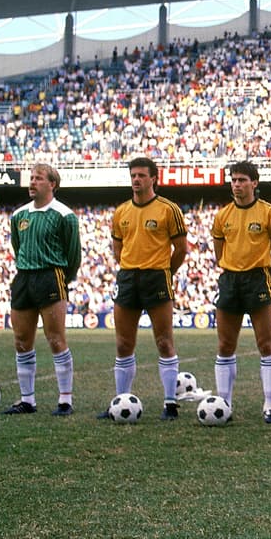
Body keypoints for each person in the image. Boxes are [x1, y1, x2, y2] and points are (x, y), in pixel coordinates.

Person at [99, 157, 188, 421]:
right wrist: (130, 267)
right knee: (123, 343)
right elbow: (118, 249)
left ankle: (170, 403)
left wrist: (165, 272)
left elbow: (181, 249)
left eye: (141, 175)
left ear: (153, 179)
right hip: (128, 278)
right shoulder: (121, 211)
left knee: (164, 341)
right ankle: (119, 402)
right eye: (133, 175)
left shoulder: (168, 209)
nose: (136, 179)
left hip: (157, 278)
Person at [211, 161, 271, 424]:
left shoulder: (270, 213)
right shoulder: (222, 215)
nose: (237, 184)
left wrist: (265, 273)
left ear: (254, 183)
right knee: (225, 345)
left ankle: (270, 405)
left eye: (242, 180)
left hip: (258, 279)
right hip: (230, 280)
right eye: (233, 180)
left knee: (265, 344)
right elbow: (219, 253)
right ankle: (224, 403)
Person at [4, 163, 82, 416]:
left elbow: (73, 255)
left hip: (51, 276)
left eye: (38, 178)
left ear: (52, 184)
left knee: (56, 339)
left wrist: (62, 278)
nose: (32, 182)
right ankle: (27, 400)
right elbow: (18, 247)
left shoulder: (64, 215)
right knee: (21, 341)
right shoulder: (19, 215)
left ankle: (65, 400)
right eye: (31, 178)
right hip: (24, 278)